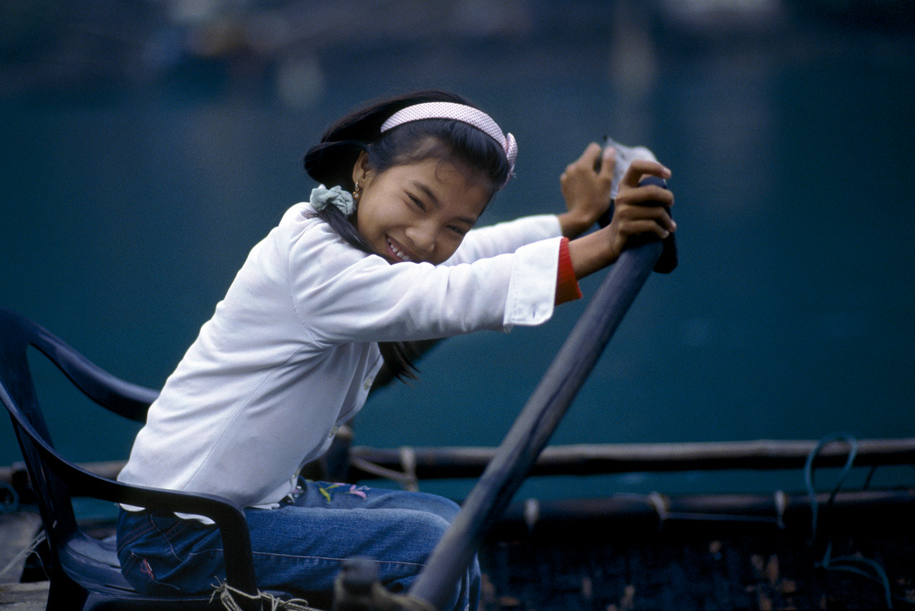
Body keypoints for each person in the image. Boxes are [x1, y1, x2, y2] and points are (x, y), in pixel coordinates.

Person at [115, 90, 676, 610]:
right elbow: (452, 292)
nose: (427, 237)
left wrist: (573, 222)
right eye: (417, 200)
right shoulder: (317, 261)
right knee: (430, 544)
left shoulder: (357, 248)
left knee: (442, 521)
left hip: (250, 507)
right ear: (364, 170)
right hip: (180, 535)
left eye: (453, 224)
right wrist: (608, 242)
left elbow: (472, 256)